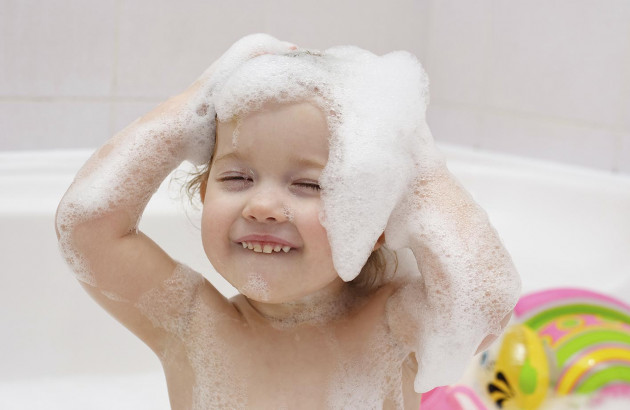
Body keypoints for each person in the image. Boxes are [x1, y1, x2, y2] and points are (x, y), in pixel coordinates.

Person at [55, 34, 520, 409]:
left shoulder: (393, 326)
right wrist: (189, 108)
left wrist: (417, 166)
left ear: (375, 219)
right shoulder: (191, 322)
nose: (263, 206)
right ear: (202, 193)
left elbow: (484, 298)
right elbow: (87, 225)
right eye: (237, 177)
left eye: (308, 186)